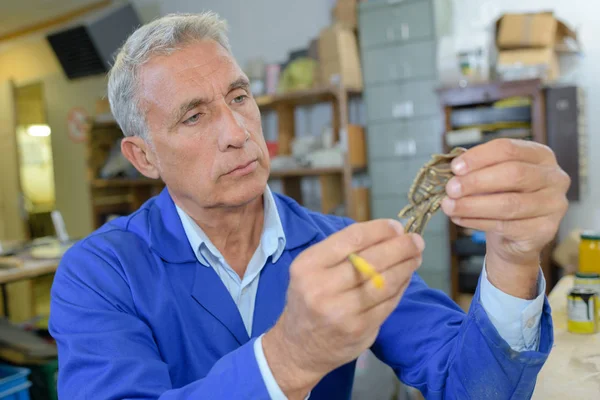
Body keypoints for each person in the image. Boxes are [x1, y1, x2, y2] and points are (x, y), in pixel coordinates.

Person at [49, 12, 570, 400]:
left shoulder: (339, 246)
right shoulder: (98, 273)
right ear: (143, 157)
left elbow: (474, 389)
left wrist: (513, 257)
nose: (238, 133)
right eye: (193, 117)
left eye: (238, 97)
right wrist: (289, 359)